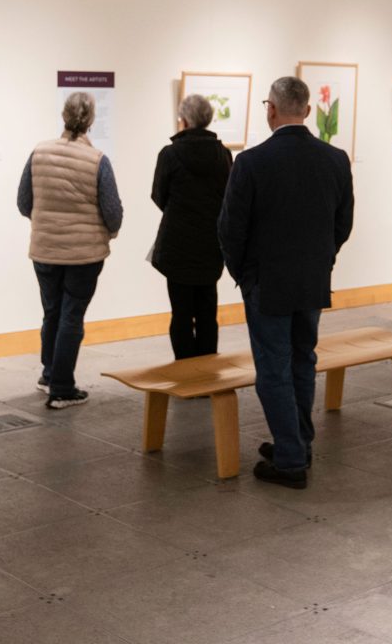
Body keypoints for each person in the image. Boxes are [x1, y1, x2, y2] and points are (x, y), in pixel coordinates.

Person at [218, 75, 354, 488]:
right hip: (311, 279)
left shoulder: (251, 162)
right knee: (302, 359)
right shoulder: (334, 158)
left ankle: (291, 458)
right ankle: (297, 441)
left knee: (274, 367)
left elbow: (230, 229)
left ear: (271, 109)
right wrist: (322, 259)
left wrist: (244, 274)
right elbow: (343, 223)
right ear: (308, 111)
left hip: (268, 282)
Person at [17, 91, 123, 409]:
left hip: (44, 250)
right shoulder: (97, 160)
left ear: (63, 115)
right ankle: (62, 388)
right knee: (71, 317)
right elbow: (112, 211)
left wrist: (46, 222)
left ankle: (49, 374)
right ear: (91, 120)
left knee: (52, 312)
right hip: (83, 255)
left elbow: (24, 202)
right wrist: (109, 232)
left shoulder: (39, 152)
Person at [150, 93, 233, 359]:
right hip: (211, 243)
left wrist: (180, 214)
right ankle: (207, 371)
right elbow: (228, 197)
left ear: (184, 120)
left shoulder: (170, 154)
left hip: (177, 245)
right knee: (208, 311)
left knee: (181, 313)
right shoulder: (223, 155)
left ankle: (186, 372)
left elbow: (158, 195)